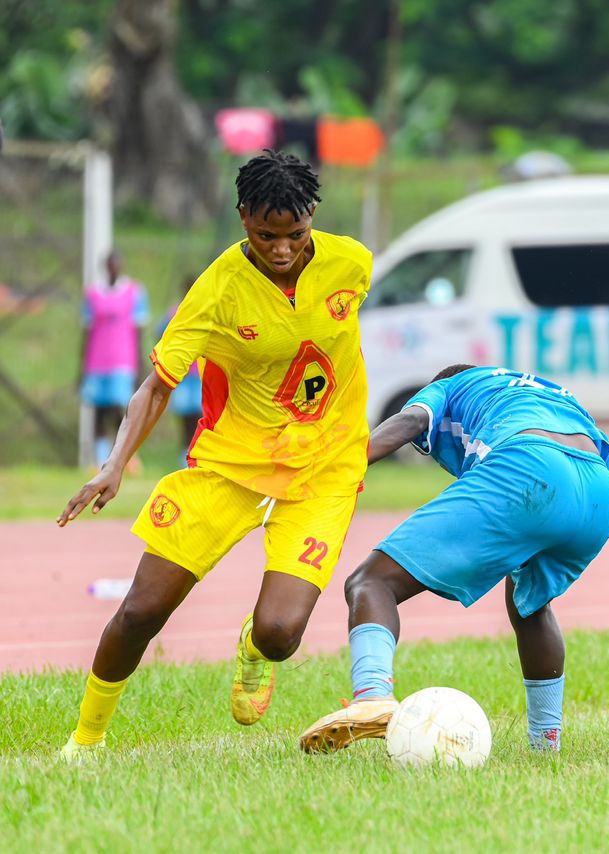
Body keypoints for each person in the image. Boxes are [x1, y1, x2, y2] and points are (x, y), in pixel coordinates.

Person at [56, 150, 374, 761]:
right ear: (242, 219)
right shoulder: (217, 291)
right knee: (143, 609)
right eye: (265, 236)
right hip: (231, 465)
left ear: (312, 218)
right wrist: (116, 462)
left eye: (295, 235)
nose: (281, 250)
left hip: (325, 468)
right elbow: (157, 385)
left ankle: (254, 650)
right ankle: (85, 742)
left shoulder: (352, 263)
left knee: (281, 634)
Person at [297, 365, 609, 755]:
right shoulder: (558, 400)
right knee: (529, 602)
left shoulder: (452, 386)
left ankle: (372, 695)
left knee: (370, 583)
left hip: (524, 467)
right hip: (593, 495)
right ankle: (545, 744)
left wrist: (341, 469)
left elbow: (412, 420)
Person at [81, 251, 150, 469]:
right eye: (110, 265)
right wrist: (81, 367)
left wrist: (139, 364)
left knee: (123, 408)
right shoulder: (93, 295)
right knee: (98, 411)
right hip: (96, 363)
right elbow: (86, 332)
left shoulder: (134, 292)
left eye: (116, 264)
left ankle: (123, 458)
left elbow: (139, 331)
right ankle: (99, 459)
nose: (113, 268)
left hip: (123, 361)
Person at [153, 274, 204, 460]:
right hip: (182, 375)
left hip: (200, 375)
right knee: (185, 419)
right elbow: (160, 333)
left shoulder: (206, 310)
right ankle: (185, 459)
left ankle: (197, 458)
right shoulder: (176, 312)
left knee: (199, 418)